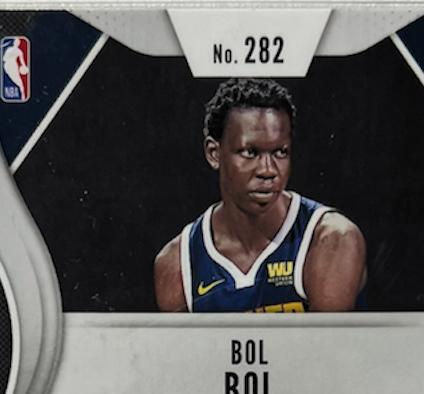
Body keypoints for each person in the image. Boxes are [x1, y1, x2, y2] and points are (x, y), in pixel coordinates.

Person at [154, 78, 367, 313]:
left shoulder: (331, 239)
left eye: (280, 152)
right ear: (214, 153)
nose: (268, 170)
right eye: (250, 152)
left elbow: (325, 338)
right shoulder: (178, 263)